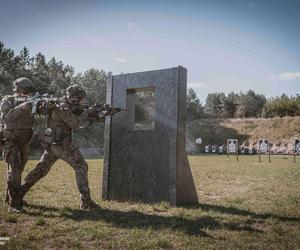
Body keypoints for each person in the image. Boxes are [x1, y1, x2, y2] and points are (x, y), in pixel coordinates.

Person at [20, 84, 105, 209]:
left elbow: (78, 116)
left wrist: (96, 114)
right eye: (78, 98)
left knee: (41, 170)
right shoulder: (62, 106)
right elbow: (75, 124)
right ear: (72, 96)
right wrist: (88, 112)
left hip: (53, 144)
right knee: (81, 166)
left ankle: (18, 194)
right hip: (61, 145)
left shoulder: (66, 105)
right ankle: (86, 201)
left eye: (80, 98)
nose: (80, 100)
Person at [0, 77, 36, 212]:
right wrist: (21, 108)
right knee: (14, 170)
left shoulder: (31, 101)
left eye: (29, 92)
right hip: (11, 140)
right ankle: (14, 204)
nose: (27, 94)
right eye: (25, 91)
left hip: (24, 140)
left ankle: (10, 197)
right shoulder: (8, 100)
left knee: (18, 170)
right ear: (17, 89)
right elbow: (6, 118)